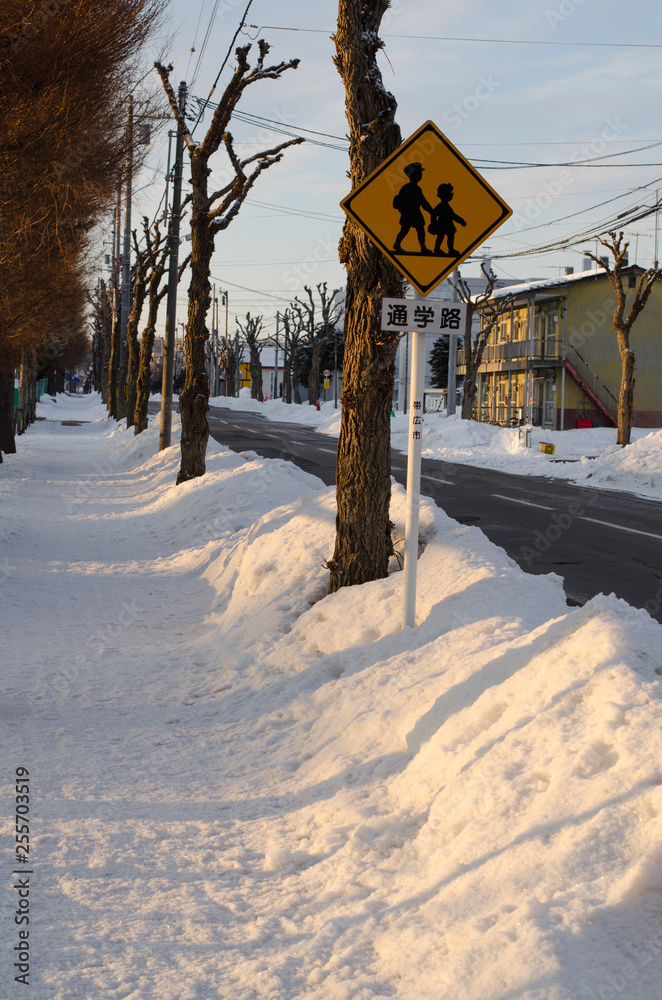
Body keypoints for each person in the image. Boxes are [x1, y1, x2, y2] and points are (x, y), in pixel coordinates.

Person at [393, 162, 433, 254]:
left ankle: (422, 247)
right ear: (416, 175)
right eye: (419, 173)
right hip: (411, 213)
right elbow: (423, 202)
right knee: (408, 230)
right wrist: (431, 211)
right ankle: (398, 244)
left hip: (411, 213)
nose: (421, 175)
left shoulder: (408, 188)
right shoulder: (413, 188)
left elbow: (423, 202)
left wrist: (431, 211)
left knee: (416, 230)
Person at [428, 182, 466, 256]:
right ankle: (438, 248)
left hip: (448, 225)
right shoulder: (442, 206)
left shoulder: (445, 206)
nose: (451, 195)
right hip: (442, 225)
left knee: (449, 236)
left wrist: (461, 221)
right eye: (449, 193)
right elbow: (434, 215)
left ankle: (450, 249)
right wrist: (433, 223)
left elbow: (453, 215)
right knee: (441, 236)